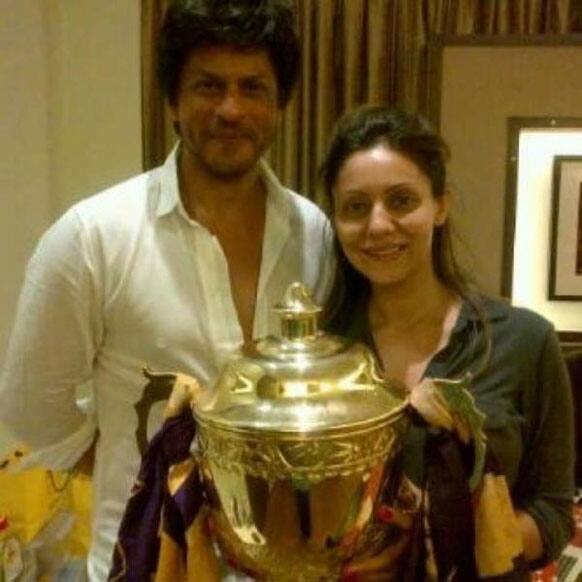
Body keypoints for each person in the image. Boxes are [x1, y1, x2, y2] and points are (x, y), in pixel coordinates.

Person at [0, 1, 333, 579]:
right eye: (209, 86)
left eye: (252, 87)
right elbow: (32, 406)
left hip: (281, 568)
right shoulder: (92, 237)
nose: (231, 108)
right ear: (173, 101)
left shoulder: (316, 233)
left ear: (281, 104)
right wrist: (132, 467)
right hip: (147, 565)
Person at [319, 105, 575, 577]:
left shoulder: (524, 341)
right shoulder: (319, 354)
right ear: (335, 221)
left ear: (440, 205)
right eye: (356, 207)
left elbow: (554, 513)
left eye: (401, 201)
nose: (377, 225)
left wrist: (436, 543)